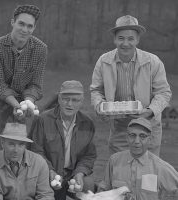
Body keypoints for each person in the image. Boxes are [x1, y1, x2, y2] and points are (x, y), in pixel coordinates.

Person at [90, 15, 172, 156]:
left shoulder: (153, 62)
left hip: (148, 126)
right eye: (121, 38)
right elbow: (96, 90)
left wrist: (150, 111)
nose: (125, 43)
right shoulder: (103, 61)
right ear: (115, 39)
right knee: (119, 170)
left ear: (137, 40)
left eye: (130, 38)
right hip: (119, 128)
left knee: (147, 172)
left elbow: (163, 93)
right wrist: (100, 106)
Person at [0, 4, 48, 155]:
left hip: (27, 108)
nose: (25, 29)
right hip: (1, 104)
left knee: (23, 150)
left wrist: (27, 103)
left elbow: (36, 84)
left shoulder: (40, 49)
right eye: (21, 24)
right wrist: (15, 104)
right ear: (12, 22)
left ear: (34, 28)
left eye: (30, 26)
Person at [30, 80, 97, 200]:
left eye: (75, 100)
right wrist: (49, 171)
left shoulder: (88, 123)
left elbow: (89, 156)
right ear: (59, 99)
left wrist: (80, 173)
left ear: (81, 102)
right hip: (49, 172)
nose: (69, 104)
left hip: (72, 174)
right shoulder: (43, 120)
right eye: (66, 99)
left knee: (88, 184)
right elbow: (36, 151)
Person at [98, 117, 178, 200]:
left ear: (149, 140)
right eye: (132, 135)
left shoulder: (160, 167)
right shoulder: (114, 160)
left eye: (142, 136)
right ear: (127, 138)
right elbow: (104, 189)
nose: (137, 141)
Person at [0, 123, 54, 200]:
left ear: (25, 145)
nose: (16, 150)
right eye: (11, 144)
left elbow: (45, 195)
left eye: (21, 145)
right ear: (2, 143)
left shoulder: (39, 163)